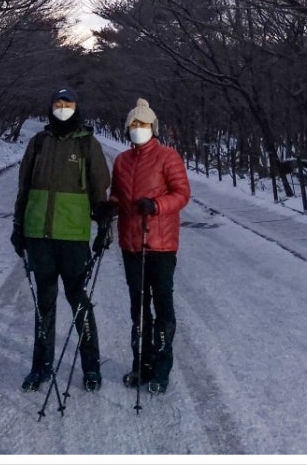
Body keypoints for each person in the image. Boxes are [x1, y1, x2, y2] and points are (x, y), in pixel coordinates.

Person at [10, 86, 112, 393]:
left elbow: (100, 190)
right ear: (50, 107)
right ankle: (40, 367)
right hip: (39, 236)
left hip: (73, 238)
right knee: (44, 305)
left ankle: (91, 367)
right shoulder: (38, 142)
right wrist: (18, 227)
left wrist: (104, 226)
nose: (62, 108)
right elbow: (24, 188)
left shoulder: (87, 145)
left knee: (79, 302)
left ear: (76, 107)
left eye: (67, 103)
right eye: (58, 103)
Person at [109, 97, 190, 395]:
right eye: (133, 124)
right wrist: (110, 207)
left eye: (143, 124)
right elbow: (117, 194)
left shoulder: (168, 157)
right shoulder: (121, 160)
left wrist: (156, 205)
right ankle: (141, 364)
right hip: (131, 245)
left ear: (153, 127)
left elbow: (182, 193)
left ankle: (162, 367)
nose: (137, 128)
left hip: (161, 245)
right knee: (139, 309)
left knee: (163, 305)